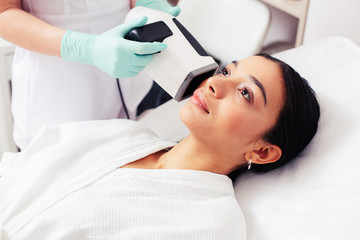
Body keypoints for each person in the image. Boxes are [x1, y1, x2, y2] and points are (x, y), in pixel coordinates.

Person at [0, 54, 320, 239]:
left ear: (262, 152)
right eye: (226, 71)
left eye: (246, 93)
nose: (215, 82)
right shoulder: (123, 134)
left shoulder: (212, 224)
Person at [0, 0, 181, 150]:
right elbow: (4, 13)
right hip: (55, 91)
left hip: (124, 78)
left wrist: (147, 3)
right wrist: (85, 48)